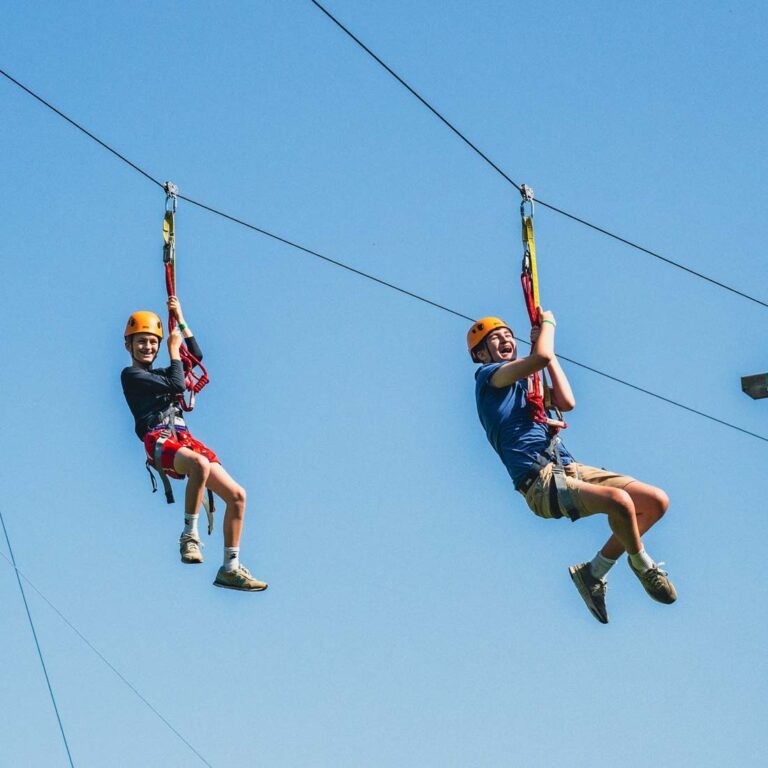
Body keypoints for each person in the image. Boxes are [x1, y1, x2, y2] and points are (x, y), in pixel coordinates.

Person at [468, 313, 676, 623]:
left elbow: (566, 402)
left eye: (508, 335)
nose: (505, 340)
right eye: (494, 339)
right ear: (481, 354)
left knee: (655, 502)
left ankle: (593, 573)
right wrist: (548, 330)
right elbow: (539, 356)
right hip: (539, 482)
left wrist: (547, 355)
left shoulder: (526, 385)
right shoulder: (489, 378)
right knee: (619, 503)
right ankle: (643, 565)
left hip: (567, 467)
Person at [121, 296, 267, 592]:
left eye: (152, 342)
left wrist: (181, 318)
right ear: (129, 346)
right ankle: (189, 535)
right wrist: (174, 350)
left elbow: (196, 356)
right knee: (199, 464)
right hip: (159, 440)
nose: (147, 347)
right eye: (140, 342)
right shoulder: (132, 375)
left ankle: (230, 568)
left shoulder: (162, 372)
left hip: (182, 439)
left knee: (238, 495)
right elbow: (177, 384)